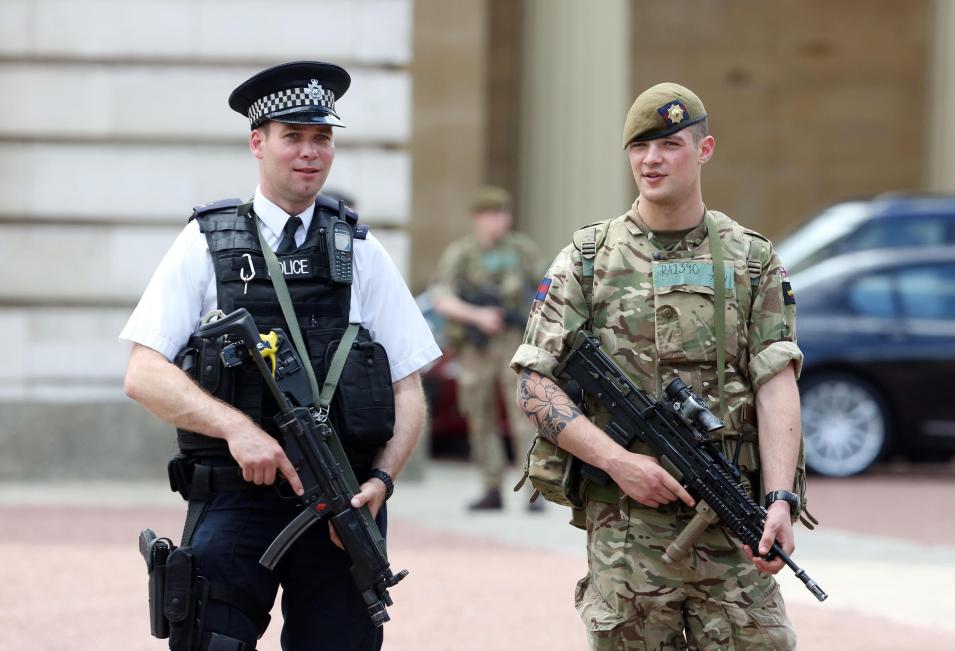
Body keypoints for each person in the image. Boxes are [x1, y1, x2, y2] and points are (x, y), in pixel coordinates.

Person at [121, 61, 441, 651]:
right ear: (257, 142)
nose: (310, 152)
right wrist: (237, 430)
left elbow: (407, 382)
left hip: (344, 504)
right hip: (237, 498)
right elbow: (143, 374)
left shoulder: (361, 252)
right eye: (292, 136)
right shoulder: (205, 244)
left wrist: (381, 481)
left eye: (322, 138)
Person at [511, 82, 804, 648]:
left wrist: (779, 498)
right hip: (626, 531)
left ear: (705, 149)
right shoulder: (588, 258)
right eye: (639, 147)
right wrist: (621, 463)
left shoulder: (751, 258)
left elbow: (776, 380)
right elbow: (533, 383)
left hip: (731, 516)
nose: (651, 160)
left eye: (669, 144)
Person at [431, 187, 543, 511]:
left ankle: (534, 489)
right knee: (480, 416)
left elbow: (546, 286)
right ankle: (491, 486)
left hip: (513, 342)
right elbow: (442, 299)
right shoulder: (461, 253)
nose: (503, 220)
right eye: (496, 214)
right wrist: (477, 316)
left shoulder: (521, 249)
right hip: (476, 347)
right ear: (479, 218)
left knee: (524, 413)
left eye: (505, 214)